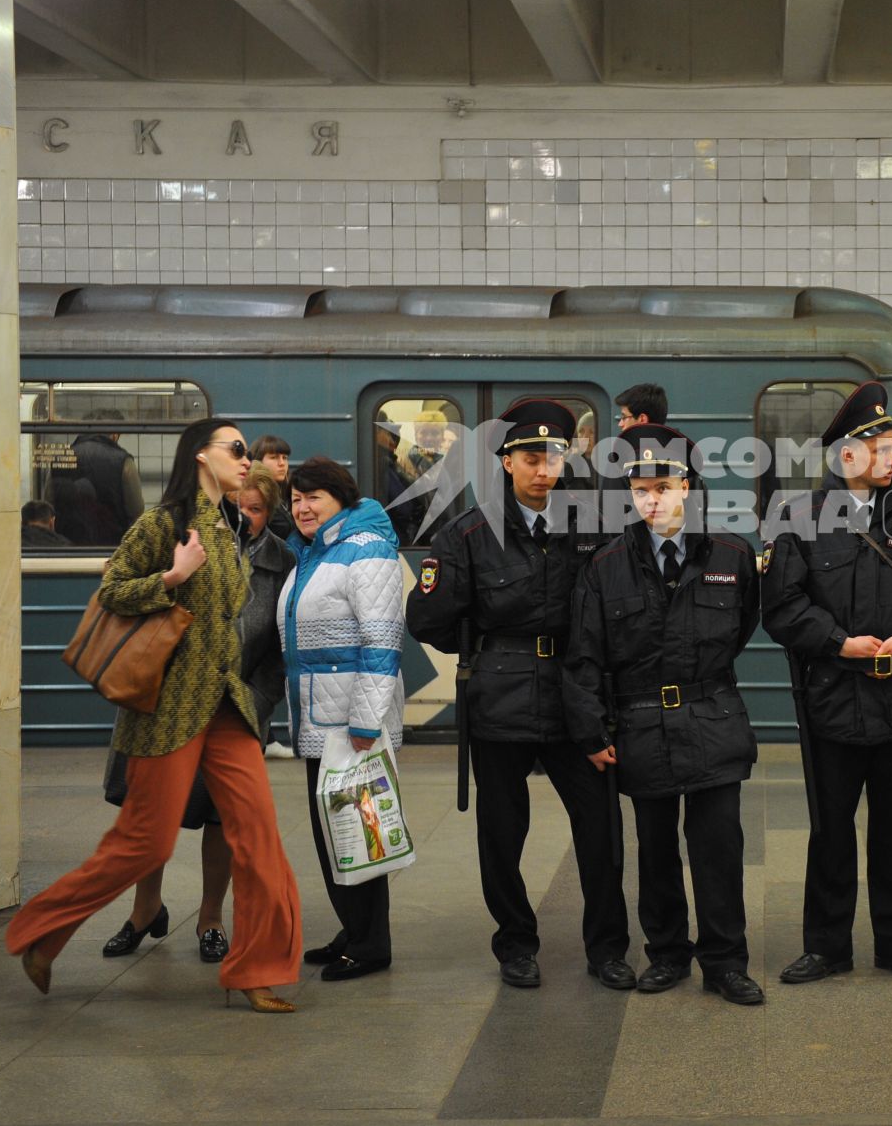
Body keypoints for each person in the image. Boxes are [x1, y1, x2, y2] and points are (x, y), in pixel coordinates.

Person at [6, 419, 302, 1014]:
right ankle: (40, 933)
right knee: (144, 843)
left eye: (249, 453)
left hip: (226, 706)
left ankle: (257, 969)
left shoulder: (231, 526)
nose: (248, 460)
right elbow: (113, 589)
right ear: (199, 456)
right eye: (236, 450)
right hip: (166, 710)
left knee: (260, 839)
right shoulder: (163, 524)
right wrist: (173, 577)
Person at [406, 399, 634, 991]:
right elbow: (427, 619)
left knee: (601, 828)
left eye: (553, 457)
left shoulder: (594, 525)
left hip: (577, 697)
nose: (544, 469)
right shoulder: (468, 534)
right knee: (502, 833)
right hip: (499, 697)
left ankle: (608, 948)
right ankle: (515, 942)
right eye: (531, 458)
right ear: (507, 463)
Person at [761, 381, 892, 985]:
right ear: (847, 455)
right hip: (832, 698)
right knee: (830, 827)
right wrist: (836, 641)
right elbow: (783, 605)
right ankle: (827, 946)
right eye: (882, 447)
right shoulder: (798, 518)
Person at [565, 424, 765, 1005]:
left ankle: (726, 962)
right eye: (640, 489)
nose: (651, 499)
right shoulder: (605, 566)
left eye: (663, 486)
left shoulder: (731, 555)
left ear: (688, 488)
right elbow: (584, 655)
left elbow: (742, 625)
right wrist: (591, 732)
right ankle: (668, 953)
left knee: (718, 849)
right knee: (655, 851)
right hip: (640, 725)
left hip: (711, 718)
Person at [281, 456, 406, 982]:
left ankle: (371, 943)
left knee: (356, 827)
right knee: (336, 831)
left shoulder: (364, 549)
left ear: (341, 499)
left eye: (313, 497)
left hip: (348, 723)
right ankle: (354, 931)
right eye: (295, 499)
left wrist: (364, 721)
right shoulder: (316, 552)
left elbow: (382, 642)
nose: (302, 507)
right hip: (321, 717)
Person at [238, 466, 299, 755]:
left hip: (248, 706)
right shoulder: (197, 548)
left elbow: (282, 642)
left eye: (255, 508)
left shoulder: (282, 559)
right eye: (236, 506)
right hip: (193, 704)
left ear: (269, 512)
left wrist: (257, 700)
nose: (244, 516)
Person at [50, 420, 145, 546]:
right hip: (112, 546)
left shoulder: (61, 459)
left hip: (67, 546)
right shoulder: (123, 461)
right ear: (114, 435)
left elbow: (48, 505)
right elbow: (136, 510)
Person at [247, 435, 295, 540]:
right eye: (274, 457)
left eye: (285, 458)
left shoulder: (287, 494)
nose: (282, 463)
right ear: (258, 460)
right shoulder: (255, 498)